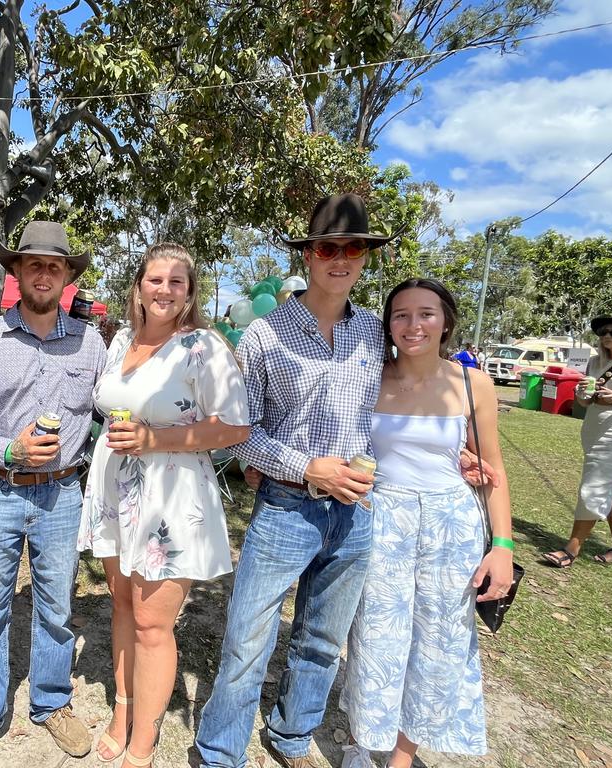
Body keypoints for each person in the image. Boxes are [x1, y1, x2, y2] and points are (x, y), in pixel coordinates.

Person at [195, 194, 392, 768]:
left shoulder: (376, 336)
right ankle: (219, 752)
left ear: (364, 258)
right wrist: (307, 467)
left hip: (354, 514)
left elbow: (404, 406)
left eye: (352, 248)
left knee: (324, 641)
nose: (340, 258)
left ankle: (291, 735)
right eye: (327, 247)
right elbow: (239, 434)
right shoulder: (264, 336)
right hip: (286, 508)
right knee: (248, 640)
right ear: (308, 255)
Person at [78, 243, 250, 768]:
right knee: (123, 605)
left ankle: (145, 740)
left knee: (154, 625)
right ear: (139, 286)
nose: (165, 290)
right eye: (156, 279)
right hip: (113, 490)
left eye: (177, 282)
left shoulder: (203, 346)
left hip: (169, 498)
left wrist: (157, 440)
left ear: (190, 292)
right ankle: (122, 711)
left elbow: (235, 425)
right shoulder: (123, 339)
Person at [339, 278, 515, 768]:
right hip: (382, 519)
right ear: (387, 325)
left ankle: (401, 754)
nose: (413, 325)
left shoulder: (470, 383)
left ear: (446, 321)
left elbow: (493, 471)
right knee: (374, 636)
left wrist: (502, 547)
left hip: (450, 526)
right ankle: (362, 742)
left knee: (439, 642)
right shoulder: (369, 375)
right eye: (401, 315)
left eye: (426, 314)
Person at [0, 220, 106, 768]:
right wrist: (7, 451)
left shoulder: (92, 342)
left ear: (66, 277)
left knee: (56, 608)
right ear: (15, 271)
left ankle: (51, 700)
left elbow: (110, 411)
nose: (44, 273)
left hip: (63, 495)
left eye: (54, 265)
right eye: (33, 263)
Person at [542, 310, 612, 567]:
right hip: (593, 428)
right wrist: (582, 395)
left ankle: (572, 548)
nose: (606, 336)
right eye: (602, 332)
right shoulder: (596, 363)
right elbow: (584, 402)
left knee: (594, 486)